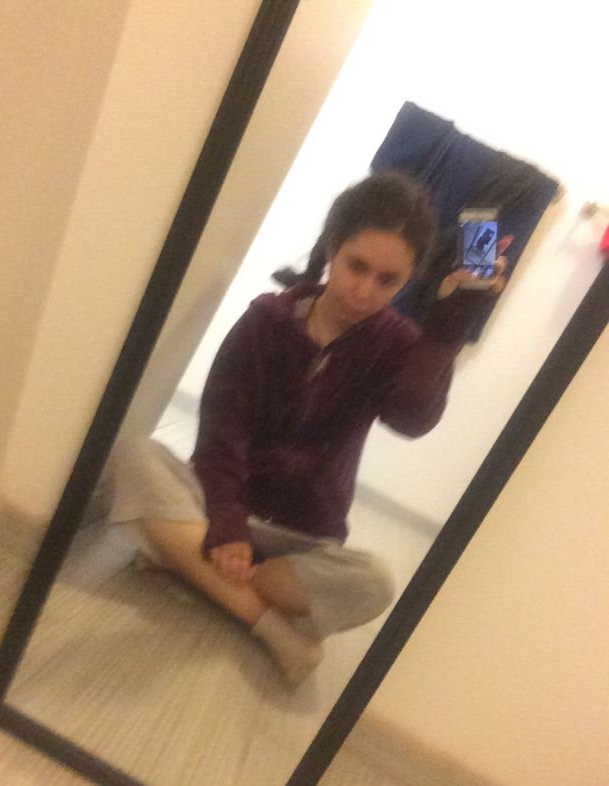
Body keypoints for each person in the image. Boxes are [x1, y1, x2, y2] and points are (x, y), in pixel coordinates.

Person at [106, 171, 508, 686]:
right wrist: (227, 522)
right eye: (356, 266)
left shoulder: (398, 344)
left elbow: (411, 419)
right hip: (221, 504)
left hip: (303, 537)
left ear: (407, 281)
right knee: (136, 455)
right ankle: (266, 622)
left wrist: (448, 328)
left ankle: (186, 561)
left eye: (387, 281)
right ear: (333, 248)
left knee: (375, 582)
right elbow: (221, 429)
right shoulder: (265, 320)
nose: (364, 291)